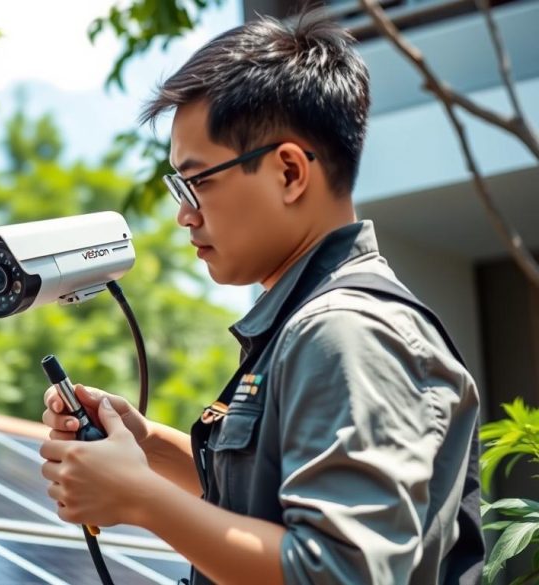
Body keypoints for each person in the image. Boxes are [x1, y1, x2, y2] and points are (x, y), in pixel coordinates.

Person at [39, 11, 484, 585]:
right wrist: (146, 446)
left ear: (290, 173)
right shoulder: (312, 322)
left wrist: (139, 498)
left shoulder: (345, 331)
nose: (184, 214)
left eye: (197, 181)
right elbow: (268, 502)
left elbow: (340, 572)